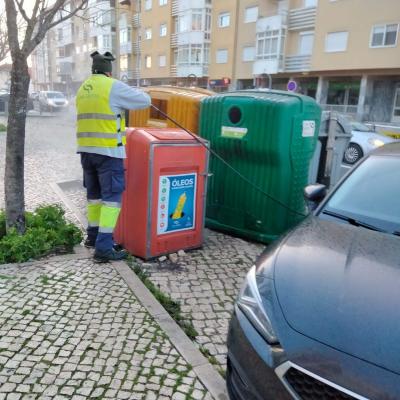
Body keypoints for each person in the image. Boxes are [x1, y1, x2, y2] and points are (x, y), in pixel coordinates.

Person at [76, 51, 151, 263]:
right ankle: (103, 249)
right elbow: (145, 100)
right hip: (108, 153)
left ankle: (92, 237)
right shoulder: (112, 86)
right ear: (109, 70)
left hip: (86, 152)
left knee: (94, 197)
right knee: (111, 200)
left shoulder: (83, 88)